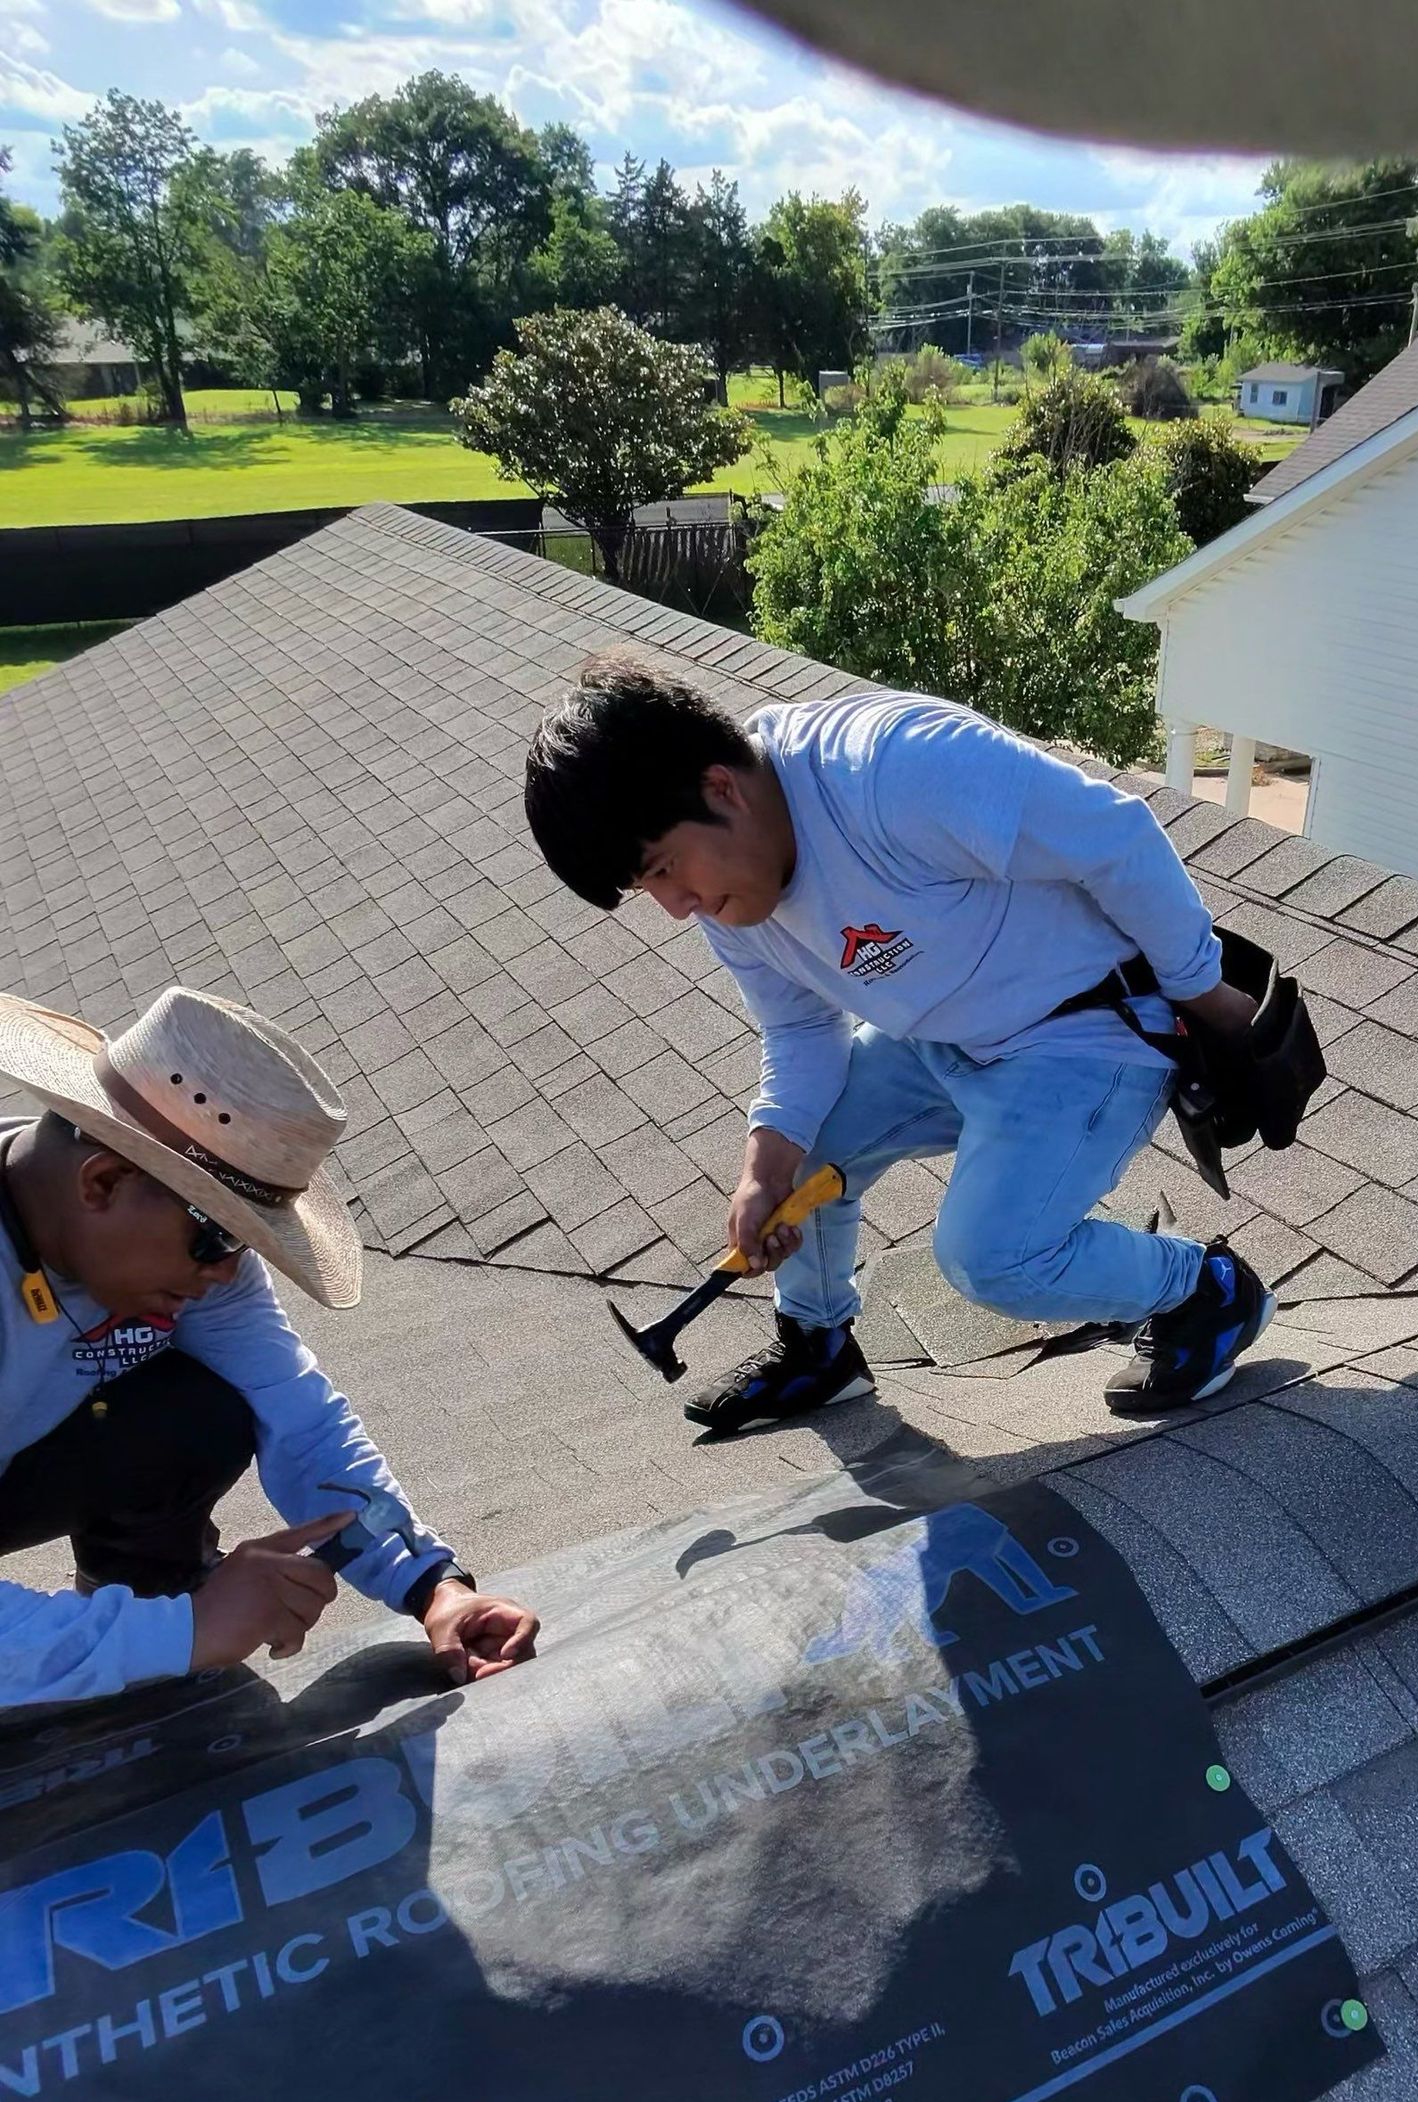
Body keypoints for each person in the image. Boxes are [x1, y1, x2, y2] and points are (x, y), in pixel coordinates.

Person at [525, 655, 1272, 1437]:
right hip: (945, 1040)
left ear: (721, 788)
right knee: (800, 1154)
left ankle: (1204, 1287)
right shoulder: (730, 898)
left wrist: (1204, 994)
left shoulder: (892, 771)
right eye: (652, 891)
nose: (678, 909)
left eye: (664, 869)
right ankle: (818, 1348)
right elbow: (802, 1028)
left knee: (993, 1260)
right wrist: (765, 1162)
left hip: (1087, 1030)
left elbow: (1116, 838)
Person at [0, 984, 539, 1713]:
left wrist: (431, 1585)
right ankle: (146, 1634)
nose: (228, 1271)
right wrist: (186, 1631)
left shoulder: (189, 1263)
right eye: (219, 1235)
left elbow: (299, 1418)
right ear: (102, 1181)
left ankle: (133, 1611)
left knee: (202, 1411)